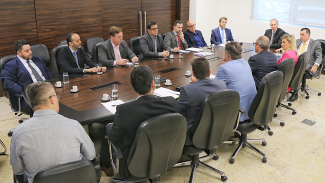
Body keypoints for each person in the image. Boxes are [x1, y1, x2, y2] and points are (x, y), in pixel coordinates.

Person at [100, 66, 177, 178]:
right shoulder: (171, 102)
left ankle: (106, 166)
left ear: (133, 87)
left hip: (135, 161)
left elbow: (115, 137)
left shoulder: (124, 110)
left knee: (106, 131)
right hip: (165, 154)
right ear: (152, 84)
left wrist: (109, 126)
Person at [10, 81, 96, 183]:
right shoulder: (74, 125)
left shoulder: (19, 133)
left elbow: (17, 170)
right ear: (51, 99)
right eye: (56, 96)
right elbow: (91, 155)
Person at [177, 58, 226, 145]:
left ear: (193, 74)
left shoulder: (187, 90)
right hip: (215, 129)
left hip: (191, 135)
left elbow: (178, 112)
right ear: (210, 71)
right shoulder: (222, 84)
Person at [1, 39, 54, 115]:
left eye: (30, 49)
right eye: (27, 51)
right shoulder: (11, 65)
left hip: (47, 89)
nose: (30, 52)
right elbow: (9, 84)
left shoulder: (38, 59)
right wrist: (28, 93)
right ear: (19, 53)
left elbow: (48, 71)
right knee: (42, 108)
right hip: (30, 96)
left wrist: (52, 83)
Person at [215, 42, 257, 122]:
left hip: (237, 113)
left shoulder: (224, 69)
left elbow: (214, 89)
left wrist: (224, 65)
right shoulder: (245, 63)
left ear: (227, 55)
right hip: (252, 109)